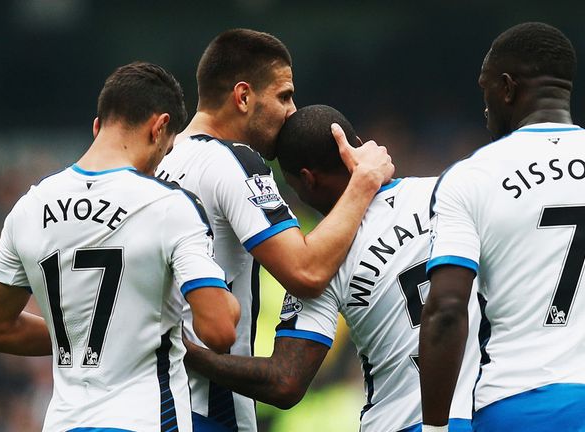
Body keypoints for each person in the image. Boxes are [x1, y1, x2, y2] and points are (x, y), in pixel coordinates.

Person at [419, 22, 585, 432]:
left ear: (507, 88)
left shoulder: (470, 178)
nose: (485, 105)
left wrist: (435, 429)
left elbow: (447, 310)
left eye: (485, 89)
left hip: (507, 407)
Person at [0, 62, 241, 431]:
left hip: (63, 423)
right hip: (145, 420)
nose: (160, 163)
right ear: (160, 128)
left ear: (98, 126)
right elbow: (219, 330)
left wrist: (85, 333)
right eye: (165, 150)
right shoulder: (169, 206)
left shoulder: (29, 207)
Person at [183, 104, 479, 431]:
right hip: (483, 415)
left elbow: (285, 381)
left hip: (398, 422)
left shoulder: (322, 263)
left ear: (307, 180)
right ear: (356, 145)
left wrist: (195, 356)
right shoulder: (451, 193)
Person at [155, 29, 394, 432]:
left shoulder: (159, 162)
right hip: (206, 406)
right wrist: (364, 182)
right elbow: (306, 272)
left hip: (152, 402)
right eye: (284, 96)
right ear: (243, 96)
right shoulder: (232, 162)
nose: (291, 110)